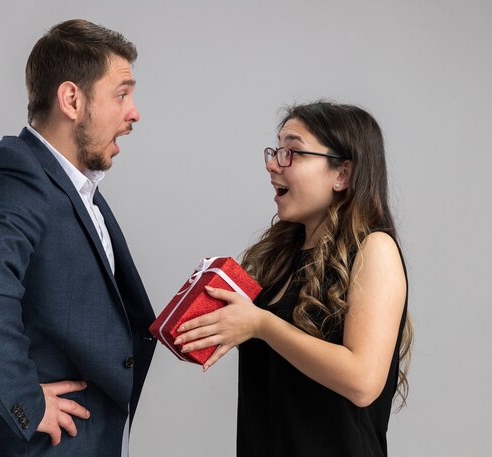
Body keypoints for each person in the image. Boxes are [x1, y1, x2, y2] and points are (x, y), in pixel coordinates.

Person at [0, 19, 156, 457]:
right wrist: (25, 401)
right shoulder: (16, 171)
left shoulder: (74, 187)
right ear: (72, 99)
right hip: (38, 445)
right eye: (121, 94)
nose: (134, 112)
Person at [174, 101, 413, 456]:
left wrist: (261, 324)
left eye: (293, 152)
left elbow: (363, 381)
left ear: (342, 174)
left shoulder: (374, 249)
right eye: (276, 150)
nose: (273, 164)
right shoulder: (281, 258)